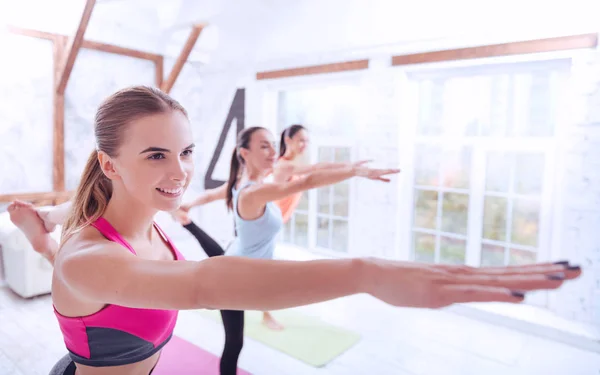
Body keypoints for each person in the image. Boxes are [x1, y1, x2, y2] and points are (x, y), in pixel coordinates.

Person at [8, 86, 581, 375]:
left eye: (184, 151)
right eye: (156, 155)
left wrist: (47, 224)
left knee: (59, 244)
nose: (179, 171)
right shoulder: (88, 259)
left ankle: (38, 236)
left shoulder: (142, 221)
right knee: (71, 260)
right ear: (111, 164)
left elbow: (87, 215)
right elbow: (205, 284)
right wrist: (365, 272)